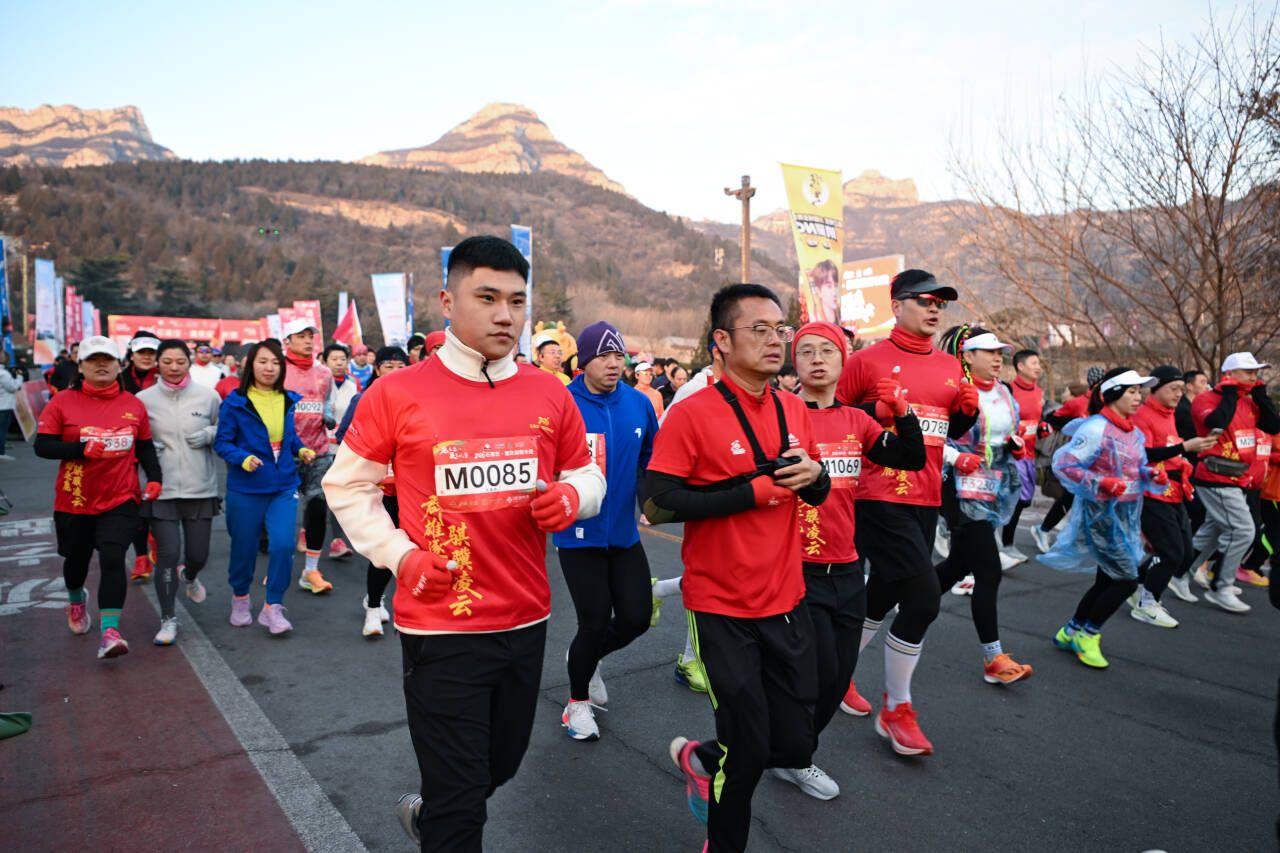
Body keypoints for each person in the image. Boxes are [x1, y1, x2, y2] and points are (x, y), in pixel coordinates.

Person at [322, 235, 605, 851]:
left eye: (517, 301)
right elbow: (346, 485)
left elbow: (587, 473)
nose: (505, 315)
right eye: (487, 298)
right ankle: (445, 817)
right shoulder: (396, 393)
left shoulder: (549, 392)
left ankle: (435, 813)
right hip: (440, 626)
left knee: (499, 765)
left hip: (526, 617)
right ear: (448, 302)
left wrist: (573, 497)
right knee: (460, 800)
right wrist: (400, 555)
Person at [646, 283, 830, 851]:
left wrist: (817, 478)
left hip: (787, 597)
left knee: (795, 743)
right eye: (760, 330)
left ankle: (704, 759)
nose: (776, 340)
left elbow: (815, 488)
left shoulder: (794, 406)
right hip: (721, 604)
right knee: (747, 749)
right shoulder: (692, 412)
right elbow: (657, 504)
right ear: (722, 341)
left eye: (781, 330)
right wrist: (748, 494)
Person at [835, 269, 978, 757]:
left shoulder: (950, 365)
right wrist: (875, 414)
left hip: (927, 495)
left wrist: (966, 413)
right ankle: (897, 707)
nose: (934, 309)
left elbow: (946, 432)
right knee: (923, 599)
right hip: (877, 493)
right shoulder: (866, 361)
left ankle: (834, 673)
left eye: (940, 303)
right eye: (925, 301)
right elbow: (830, 414)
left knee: (883, 593)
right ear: (896, 305)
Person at [791, 320, 924, 795]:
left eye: (827, 350)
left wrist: (903, 413)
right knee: (811, 673)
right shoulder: (781, 416)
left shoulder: (858, 421)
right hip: (796, 568)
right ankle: (783, 752)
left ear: (843, 361)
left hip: (848, 567)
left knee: (838, 676)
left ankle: (795, 754)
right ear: (794, 362)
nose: (817, 359)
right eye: (806, 351)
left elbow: (910, 458)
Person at [556, 321, 659, 742]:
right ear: (584, 362)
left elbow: (652, 457)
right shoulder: (562, 404)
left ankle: (585, 656)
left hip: (623, 534)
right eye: (603, 356)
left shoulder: (638, 403)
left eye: (619, 356)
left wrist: (652, 502)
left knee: (636, 618)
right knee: (594, 620)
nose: (614, 364)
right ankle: (577, 704)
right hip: (578, 535)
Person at [33, 335, 163, 659]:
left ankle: (110, 631)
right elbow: (43, 446)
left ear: (119, 365)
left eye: (108, 359)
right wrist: (80, 449)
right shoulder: (62, 402)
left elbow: (145, 445)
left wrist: (155, 477)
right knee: (76, 562)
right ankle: (77, 599)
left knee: (113, 557)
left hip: (121, 496)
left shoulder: (133, 404)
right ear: (81, 367)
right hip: (75, 498)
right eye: (93, 359)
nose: (101, 364)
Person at [1044, 368, 1166, 668]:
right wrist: (1101, 483)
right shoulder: (1095, 428)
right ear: (1112, 395)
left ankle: (1070, 631)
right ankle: (1088, 635)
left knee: (1107, 578)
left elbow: (1133, 469)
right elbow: (1065, 465)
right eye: (1132, 392)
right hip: (1100, 515)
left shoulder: (1133, 432)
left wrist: (1150, 475)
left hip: (1126, 515)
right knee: (1127, 580)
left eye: (1140, 392)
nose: (1139, 398)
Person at [934, 326, 1035, 684]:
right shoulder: (952, 391)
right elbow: (932, 436)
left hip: (993, 486)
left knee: (958, 564)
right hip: (960, 489)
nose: (997, 358)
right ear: (968, 356)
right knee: (988, 571)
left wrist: (1015, 445)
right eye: (989, 352)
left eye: (999, 353)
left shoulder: (1004, 391)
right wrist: (955, 458)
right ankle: (994, 658)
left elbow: (1005, 434)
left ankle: (911, 598)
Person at [215, 339, 315, 635]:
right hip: (246, 488)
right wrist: (242, 458)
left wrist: (300, 449)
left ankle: (273, 606)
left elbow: (288, 438)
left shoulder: (287, 399)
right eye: (262, 362)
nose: (269, 368)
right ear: (249, 366)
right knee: (244, 548)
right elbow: (222, 443)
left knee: (283, 545)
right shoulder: (235, 402)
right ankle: (240, 597)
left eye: (275, 362)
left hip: (283, 485)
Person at [136, 341, 222, 645]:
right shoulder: (143, 400)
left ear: (190, 362)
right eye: (167, 361)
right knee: (168, 554)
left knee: (198, 555)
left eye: (180, 361)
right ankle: (168, 618)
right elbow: (131, 436)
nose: (174, 367)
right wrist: (145, 446)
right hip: (162, 489)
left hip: (200, 488)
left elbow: (227, 431)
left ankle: (190, 576)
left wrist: (210, 434)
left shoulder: (208, 397)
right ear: (157, 364)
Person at [1126, 365, 1218, 626]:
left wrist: (1185, 454)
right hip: (1151, 492)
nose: (1178, 394)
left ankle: (1136, 585)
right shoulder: (1143, 416)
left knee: (1185, 553)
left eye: (1181, 389)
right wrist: (1184, 447)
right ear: (1154, 389)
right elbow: (1143, 455)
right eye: (1173, 389)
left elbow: (1168, 449)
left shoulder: (1170, 414)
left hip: (1173, 491)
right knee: (1171, 553)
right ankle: (1147, 604)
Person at [1189, 352, 1280, 613]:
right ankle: (1221, 586)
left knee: (1212, 531)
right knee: (1243, 530)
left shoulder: (1249, 402)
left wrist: (1261, 397)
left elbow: (1273, 426)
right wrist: (1229, 393)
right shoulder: (1207, 399)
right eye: (1248, 372)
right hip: (1215, 473)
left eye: (1256, 372)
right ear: (1229, 374)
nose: (1254, 377)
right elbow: (1216, 423)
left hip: (1239, 476)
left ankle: (1179, 571)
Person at [333, 345, 410, 637]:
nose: (395, 372)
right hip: (381, 489)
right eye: (388, 366)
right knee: (384, 550)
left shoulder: (416, 398)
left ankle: (403, 607)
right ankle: (374, 606)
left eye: (401, 366)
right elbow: (345, 436)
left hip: (412, 489)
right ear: (377, 369)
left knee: (413, 550)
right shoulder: (363, 398)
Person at [281, 318, 341, 588]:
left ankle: (311, 570)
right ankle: (278, 567)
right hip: (284, 452)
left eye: (310, 336)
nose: (307, 340)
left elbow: (325, 401)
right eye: (301, 336)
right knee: (283, 513)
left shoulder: (324, 372)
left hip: (318, 451)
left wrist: (326, 415)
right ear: (288, 340)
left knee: (317, 508)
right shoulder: (277, 370)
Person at [1030, 366, 1107, 554]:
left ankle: (1085, 538)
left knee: (1091, 498)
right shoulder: (1079, 403)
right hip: (1079, 458)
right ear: (1095, 383)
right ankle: (1043, 529)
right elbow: (1052, 419)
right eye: (1101, 382)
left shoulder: (1110, 403)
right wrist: (1074, 426)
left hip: (1101, 460)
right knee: (1071, 496)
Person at [1001, 348, 1051, 565]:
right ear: (1020, 366)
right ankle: (1006, 545)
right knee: (1018, 499)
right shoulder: (1008, 391)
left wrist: (1041, 428)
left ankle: (1002, 543)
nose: (1038, 367)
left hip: (1030, 455)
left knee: (1024, 500)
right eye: (1034, 363)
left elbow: (1036, 421)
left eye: (1039, 363)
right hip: (1012, 454)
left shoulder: (1039, 392)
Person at [122, 332, 161, 583]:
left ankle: (156, 538)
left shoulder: (167, 376)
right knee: (133, 502)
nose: (146, 357)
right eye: (141, 352)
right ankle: (140, 555)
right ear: (132, 354)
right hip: (129, 449)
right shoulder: (120, 379)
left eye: (151, 353)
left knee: (159, 498)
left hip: (163, 447)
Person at [323, 343, 360, 426]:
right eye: (334, 359)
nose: (339, 363)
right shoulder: (319, 382)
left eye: (343, 359)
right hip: (323, 430)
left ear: (347, 361)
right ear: (325, 362)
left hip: (347, 430)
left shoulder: (354, 382)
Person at [0, 350, 21, 462]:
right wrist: (19, 378)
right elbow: (13, 387)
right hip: (4, 406)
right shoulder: (3, 374)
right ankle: (1, 453)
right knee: (2, 430)